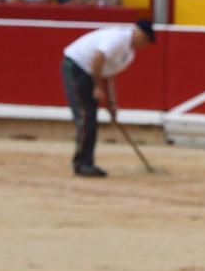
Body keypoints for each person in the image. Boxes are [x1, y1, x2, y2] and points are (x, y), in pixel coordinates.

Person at [60, 20, 156, 177]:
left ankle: (85, 162)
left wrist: (111, 103)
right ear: (140, 34)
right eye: (146, 40)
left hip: (88, 72)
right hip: (76, 66)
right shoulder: (118, 38)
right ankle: (83, 163)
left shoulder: (128, 54)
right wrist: (97, 87)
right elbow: (97, 59)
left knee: (89, 118)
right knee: (86, 117)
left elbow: (109, 75)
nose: (145, 44)